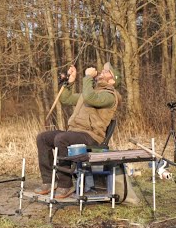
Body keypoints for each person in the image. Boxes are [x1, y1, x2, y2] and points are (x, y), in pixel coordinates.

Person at [34, 62, 122, 199]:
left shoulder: (110, 95)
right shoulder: (92, 92)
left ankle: (66, 184)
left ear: (112, 80)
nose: (101, 72)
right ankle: (49, 181)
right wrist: (70, 82)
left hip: (91, 136)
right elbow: (66, 99)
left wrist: (87, 77)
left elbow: (89, 97)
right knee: (43, 138)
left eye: (106, 72)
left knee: (61, 139)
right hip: (75, 132)